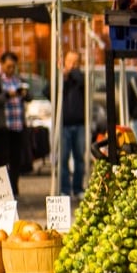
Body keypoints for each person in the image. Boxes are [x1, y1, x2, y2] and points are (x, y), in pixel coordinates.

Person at [0, 51, 28, 195]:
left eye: (13, 67)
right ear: (1, 65)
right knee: (1, 160)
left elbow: (28, 98)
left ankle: (13, 189)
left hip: (17, 126)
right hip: (2, 127)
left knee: (15, 160)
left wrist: (24, 94)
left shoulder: (18, 80)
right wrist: (7, 95)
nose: (11, 70)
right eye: (8, 66)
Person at [59, 50, 86, 197]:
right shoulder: (62, 79)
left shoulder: (80, 79)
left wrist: (72, 72)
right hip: (63, 125)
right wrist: (62, 77)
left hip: (80, 124)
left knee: (79, 158)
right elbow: (47, 91)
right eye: (70, 62)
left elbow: (82, 81)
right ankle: (64, 189)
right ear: (65, 62)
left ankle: (78, 188)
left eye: (76, 62)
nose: (73, 65)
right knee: (63, 158)